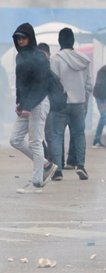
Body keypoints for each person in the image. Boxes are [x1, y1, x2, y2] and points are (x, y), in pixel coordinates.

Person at [10, 23, 58, 193]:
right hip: (26, 104)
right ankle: (45, 164)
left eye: (23, 37)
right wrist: (19, 103)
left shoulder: (39, 58)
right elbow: (20, 83)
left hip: (39, 102)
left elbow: (41, 85)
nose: (20, 41)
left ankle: (37, 181)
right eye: (18, 38)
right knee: (15, 140)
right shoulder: (19, 57)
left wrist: (28, 106)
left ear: (30, 38)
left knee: (35, 141)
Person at [49, 28, 92, 181]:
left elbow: (53, 83)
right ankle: (80, 165)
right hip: (79, 103)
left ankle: (58, 171)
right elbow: (89, 85)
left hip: (60, 104)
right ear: (73, 41)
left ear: (59, 41)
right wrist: (84, 100)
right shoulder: (84, 60)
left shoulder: (55, 59)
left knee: (56, 135)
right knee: (79, 134)